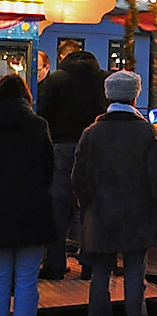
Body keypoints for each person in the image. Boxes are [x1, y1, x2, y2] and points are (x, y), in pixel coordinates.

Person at [72, 70, 157, 316]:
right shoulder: (146, 132)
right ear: (135, 97)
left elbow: (79, 177)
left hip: (101, 215)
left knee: (100, 274)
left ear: (108, 96)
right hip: (139, 216)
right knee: (135, 275)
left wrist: (87, 206)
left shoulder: (91, 133)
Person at [36, 41, 106, 279]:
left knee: (59, 205)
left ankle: (55, 264)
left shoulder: (57, 79)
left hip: (63, 145)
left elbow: (43, 112)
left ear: (62, 57)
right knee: (91, 206)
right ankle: (89, 263)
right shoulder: (103, 79)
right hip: (95, 147)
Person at [0, 74, 55, 316]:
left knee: (0, 279)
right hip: (32, 211)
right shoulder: (38, 125)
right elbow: (48, 168)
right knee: (27, 279)